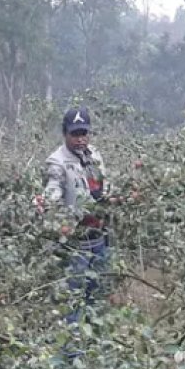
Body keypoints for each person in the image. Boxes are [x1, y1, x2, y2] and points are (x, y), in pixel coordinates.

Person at [43, 107, 111, 328]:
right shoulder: (57, 161)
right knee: (74, 299)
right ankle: (73, 352)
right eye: (75, 134)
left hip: (99, 237)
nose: (80, 139)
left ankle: (94, 346)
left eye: (84, 133)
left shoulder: (95, 155)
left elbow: (105, 185)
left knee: (97, 295)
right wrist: (47, 202)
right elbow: (53, 188)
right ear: (65, 134)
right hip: (76, 243)